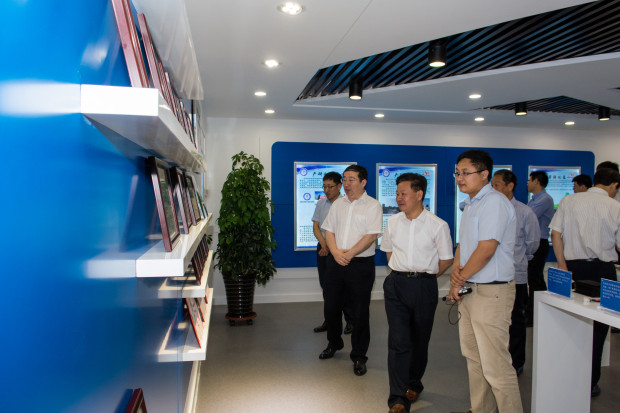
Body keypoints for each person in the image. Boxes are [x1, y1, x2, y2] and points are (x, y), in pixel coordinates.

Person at [449, 149, 522, 413]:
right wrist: (455, 278)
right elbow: (464, 246)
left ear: (484, 174)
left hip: (492, 293)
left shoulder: (494, 203)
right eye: (457, 173)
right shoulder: (471, 204)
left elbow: (487, 249)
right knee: (475, 360)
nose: (459, 178)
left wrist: (460, 278)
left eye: (465, 173)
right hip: (471, 290)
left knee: (496, 367)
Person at [380, 173, 453, 413]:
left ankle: (414, 383)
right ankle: (398, 399)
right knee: (398, 341)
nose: (398, 198)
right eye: (397, 194)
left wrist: (425, 275)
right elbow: (388, 252)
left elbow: (446, 259)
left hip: (424, 287)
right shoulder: (393, 222)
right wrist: (403, 271)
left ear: (419, 194)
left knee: (420, 341)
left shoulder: (437, 225)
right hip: (396, 285)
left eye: (404, 193)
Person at [549, 167, 620, 397]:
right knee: (599, 328)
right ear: (614, 185)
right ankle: (590, 383)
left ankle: (568, 377)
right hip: (604, 270)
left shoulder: (569, 201)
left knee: (570, 323)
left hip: (573, 268)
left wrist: (562, 265)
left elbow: (555, 234)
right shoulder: (615, 206)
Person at [319, 164, 383, 377]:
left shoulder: (373, 205)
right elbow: (329, 230)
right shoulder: (338, 204)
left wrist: (349, 254)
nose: (346, 183)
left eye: (351, 179)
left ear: (363, 182)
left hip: (360, 265)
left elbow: (371, 235)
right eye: (344, 179)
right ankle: (334, 343)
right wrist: (335, 252)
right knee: (331, 307)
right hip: (336, 261)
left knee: (359, 312)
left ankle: (359, 356)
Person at [491, 169, 540, 377]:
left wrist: (518, 260)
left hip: (515, 276)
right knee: (493, 321)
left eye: (496, 185)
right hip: (491, 276)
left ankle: (516, 361)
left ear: (510, 186)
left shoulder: (525, 212)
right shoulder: (489, 210)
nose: (493, 189)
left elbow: (532, 243)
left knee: (516, 320)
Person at [311, 172, 353, 334]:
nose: (326, 190)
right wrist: (324, 244)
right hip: (323, 249)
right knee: (326, 286)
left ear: (339, 186)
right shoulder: (321, 203)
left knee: (343, 287)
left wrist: (331, 246)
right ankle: (329, 321)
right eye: (324, 187)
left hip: (340, 250)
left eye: (330, 186)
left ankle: (350, 320)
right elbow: (316, 227)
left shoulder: (346, 204)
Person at [526, 170, 555, 325]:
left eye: (529, 180)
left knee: (535, 278)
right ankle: (534, 311)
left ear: (536, 181)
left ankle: (535, 314)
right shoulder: (534, 199)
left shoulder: (545, 199)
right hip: (533, 242)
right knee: (533, 278)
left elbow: (528, 217)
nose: (527, 183)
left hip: (540, 242)